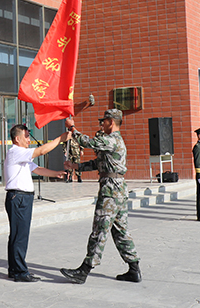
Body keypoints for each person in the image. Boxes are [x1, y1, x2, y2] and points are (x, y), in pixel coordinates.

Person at [61, 109, 142, 284]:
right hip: (117, 190)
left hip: (111, 193)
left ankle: (84, 270)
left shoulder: (111, 139)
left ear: (111, 122)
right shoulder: (113, 141)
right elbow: (98, 163)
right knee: (120, 231)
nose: (101, 124)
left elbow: (88, 143)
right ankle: (134, 269)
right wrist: (75, 166)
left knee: (100, 230)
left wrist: (72, 129)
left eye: (103, 121)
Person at [4, 124, 68, 282]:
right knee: (20, 236)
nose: (29, 139)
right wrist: (60, 139)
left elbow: (37, 169)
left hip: (21, 198)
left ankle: (15, 269)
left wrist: (55, 174)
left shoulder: (21, 155)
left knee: (17, 235)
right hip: (19, 198)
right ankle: (20, 272)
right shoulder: (16, 151)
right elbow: (41, 151)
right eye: (26, 136)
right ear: (17, 139)